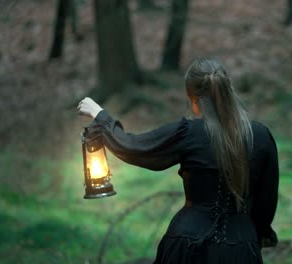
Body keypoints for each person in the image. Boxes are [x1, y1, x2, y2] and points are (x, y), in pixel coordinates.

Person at [77, 58, 279, 263]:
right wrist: (249, 234)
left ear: (192, 98)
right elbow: (266, 204)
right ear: (227, 91)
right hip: (241, 248)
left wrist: (100, 116)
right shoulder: (261, 137)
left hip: (187, 245)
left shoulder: (189, 133)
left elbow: (134, 147)